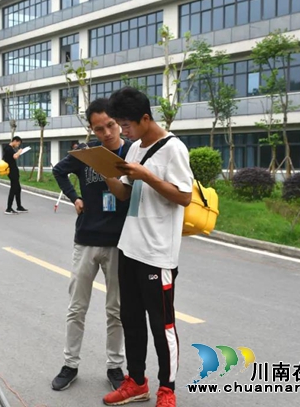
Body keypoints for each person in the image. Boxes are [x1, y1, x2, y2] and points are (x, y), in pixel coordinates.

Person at [102, 87, 193, 407]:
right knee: (131, 320)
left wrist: (146, 175)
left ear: (145, 117)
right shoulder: (134, 149)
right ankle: (136, 381)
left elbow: (184, 196)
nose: (122, 131)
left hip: (158, 254)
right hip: (130, 247)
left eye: (125, 125)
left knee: (162, 324)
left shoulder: (174, 148)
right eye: (118, 125)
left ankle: (167, 389)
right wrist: (107, 171)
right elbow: (124, 194)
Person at [51, 98, 133, 392]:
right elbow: (59, 170)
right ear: (92, 129)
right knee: (77, 307)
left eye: (110, 125)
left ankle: (115, 366)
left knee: (116, 310)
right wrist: (75, 197)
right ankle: (70, 364)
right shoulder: (86, 155)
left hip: (118, 244)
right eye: (99, 129)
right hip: (85, 240)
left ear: (118, 122)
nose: (107, 132)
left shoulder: (132, 152)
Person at [2, 135, 28, 215]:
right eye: (18, 144)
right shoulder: (9, 148)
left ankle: (19, 206)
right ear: (15, 141)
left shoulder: (8, 148)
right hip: (12, 171)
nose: (18, 145)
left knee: (18, 188)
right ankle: (8, 208)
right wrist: (20, 151)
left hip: (13, 171)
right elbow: (15, 156)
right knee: (13, 189)